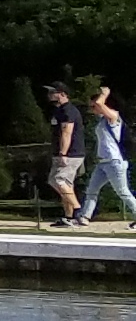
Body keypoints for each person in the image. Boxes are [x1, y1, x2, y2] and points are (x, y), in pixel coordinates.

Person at [79, 83, 133, 231]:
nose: (92, 109)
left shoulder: (114, 116)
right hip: (103, 162)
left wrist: (104, 94)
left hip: (115, 161)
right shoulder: (100, 121)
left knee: (123, 192)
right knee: (91, 190)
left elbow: (99, 103)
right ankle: (84, 217)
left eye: (93, 107)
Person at [43, 81, 82, 226]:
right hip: (61, 153)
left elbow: (67, 133)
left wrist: (63, 153)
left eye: (53, 92)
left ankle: (78, 211)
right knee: (64, 184)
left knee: (58, 180)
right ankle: (69, 217)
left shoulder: (69, 111)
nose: (49, 94)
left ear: (63, 94)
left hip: (71, 153)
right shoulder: (58, 110)